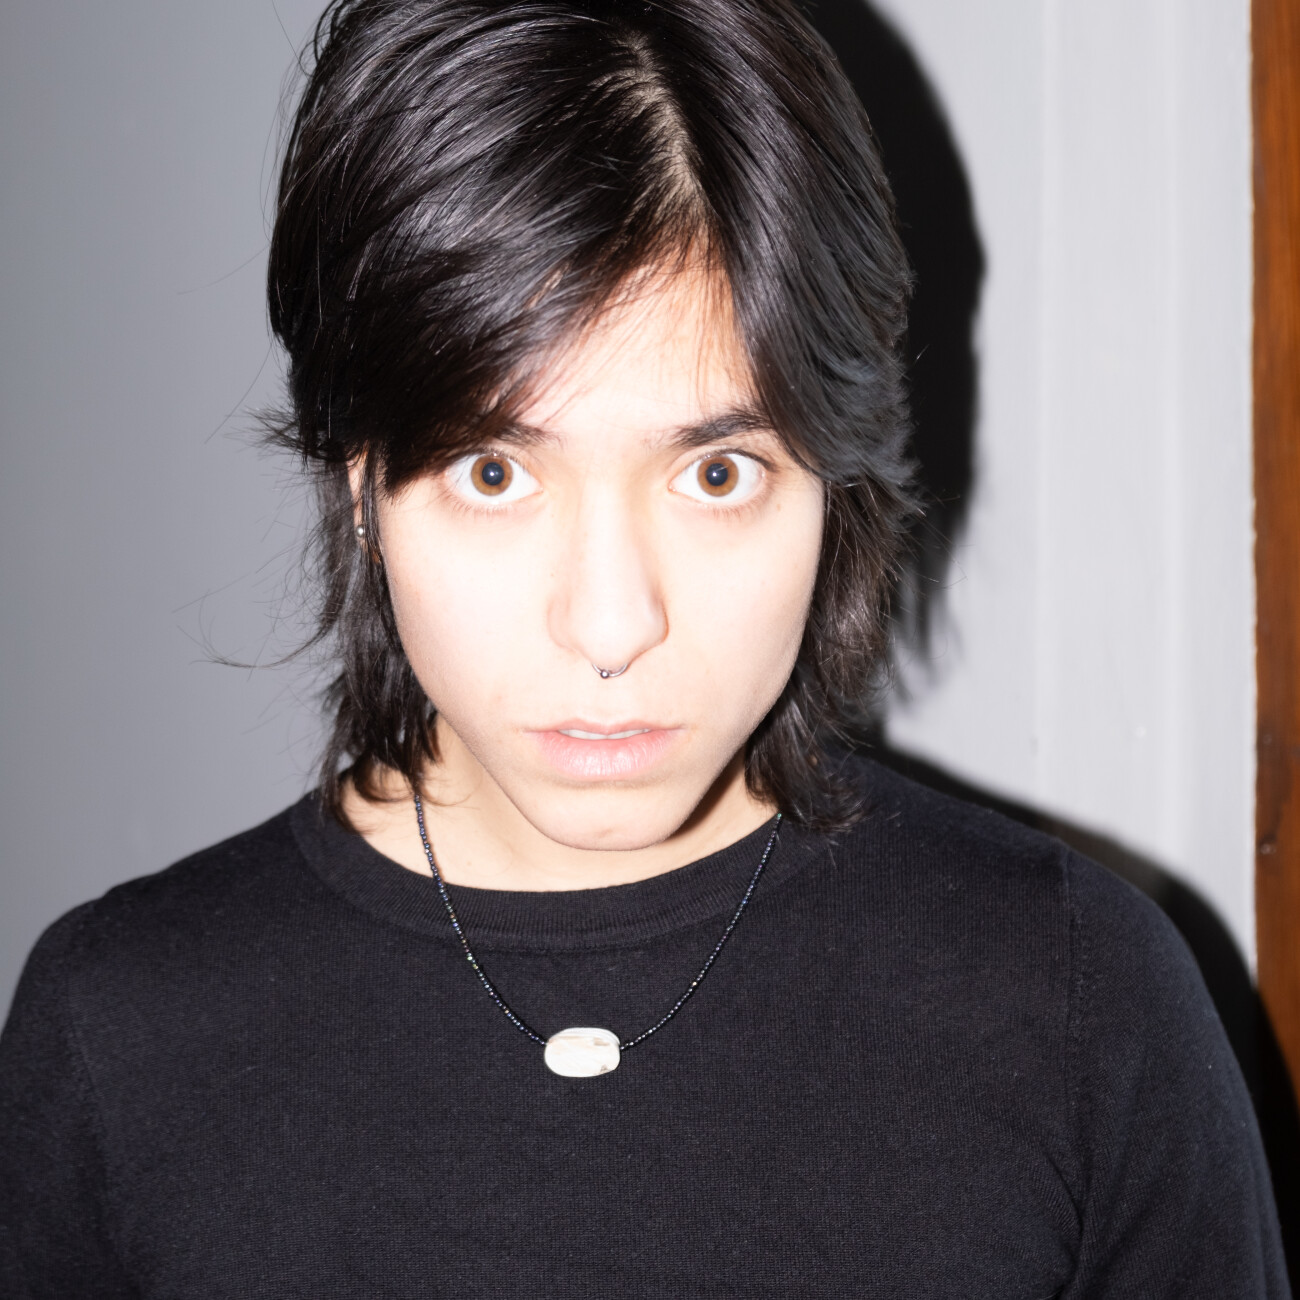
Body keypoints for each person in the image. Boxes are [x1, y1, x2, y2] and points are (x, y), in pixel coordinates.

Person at [0, 0, 1289, 1294]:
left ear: (831, 480)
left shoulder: (1078, 1009)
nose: (613, 625)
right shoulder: (119, 1039)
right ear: (359, 478)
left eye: (717, 474)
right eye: (495, 472)